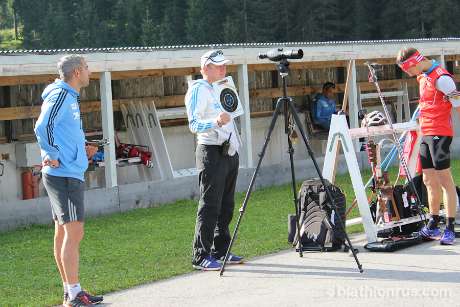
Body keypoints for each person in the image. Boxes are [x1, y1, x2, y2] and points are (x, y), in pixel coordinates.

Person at [34, 55, 103, 306]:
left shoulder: (68, 96)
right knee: (74, 233)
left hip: (66, 172)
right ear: (76, 72)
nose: (89, 71)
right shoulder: (62, 95)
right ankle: (74, 294)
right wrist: (52, 154)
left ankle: (70, 291)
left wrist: (80, 147)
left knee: (63, 233)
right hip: (64, 175)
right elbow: (44, 126)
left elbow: (60, 129)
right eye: (86, 67)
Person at [185, 50, 244, 270]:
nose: (223, 69)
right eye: (218, 66)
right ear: (206, 68)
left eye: (224, 66)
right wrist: (215, 122)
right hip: (210, 151)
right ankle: (201, 255)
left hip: (229, 151)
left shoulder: (223, 87)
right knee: (210, 204)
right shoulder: (197, 90)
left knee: (227, 204)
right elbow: (193, 124)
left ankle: (221, 250)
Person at [397, 47, 460, 245]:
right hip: (426, 132)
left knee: (444, 180)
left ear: (414, 62)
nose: (408, 74)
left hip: (440, 133)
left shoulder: (442, 78)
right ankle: (433, 222)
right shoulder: (422, 77)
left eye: (407, 70)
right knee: (428, 179)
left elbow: (458, 104)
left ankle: (449, 227)